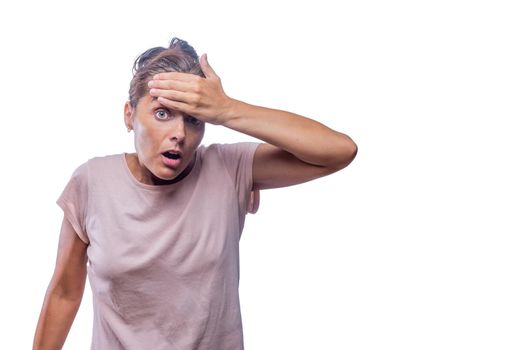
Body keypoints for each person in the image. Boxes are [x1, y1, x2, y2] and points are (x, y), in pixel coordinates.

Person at [32, 36, 358, 350]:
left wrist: (227, 109)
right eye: (162, 114)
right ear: (129, 116)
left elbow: (339, 151)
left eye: (194, 119)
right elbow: (64, 292)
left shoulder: (229, 169)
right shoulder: (93, 182)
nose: (179, 134)